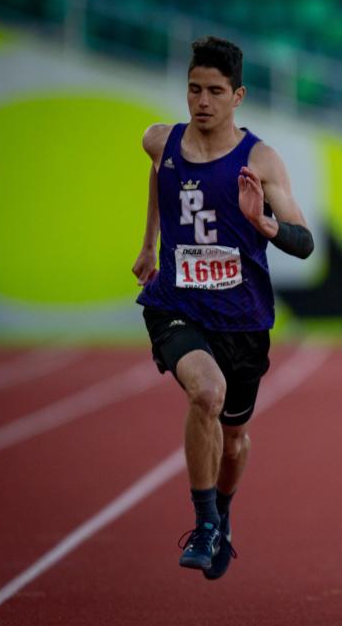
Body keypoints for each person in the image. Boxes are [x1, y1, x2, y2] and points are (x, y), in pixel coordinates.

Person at [131, 36, 314, 580]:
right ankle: (205, 523)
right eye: (193, 89)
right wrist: (148, 244)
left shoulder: (260, 159)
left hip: (243, 318)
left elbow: (304, 241)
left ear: (239, 96)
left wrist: (264, 224)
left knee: (234, 439)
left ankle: (223, 514)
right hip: (176, 303)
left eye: (214, 91)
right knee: (205, 393)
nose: (201, 101)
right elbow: (157, 176)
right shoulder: (159, 141)